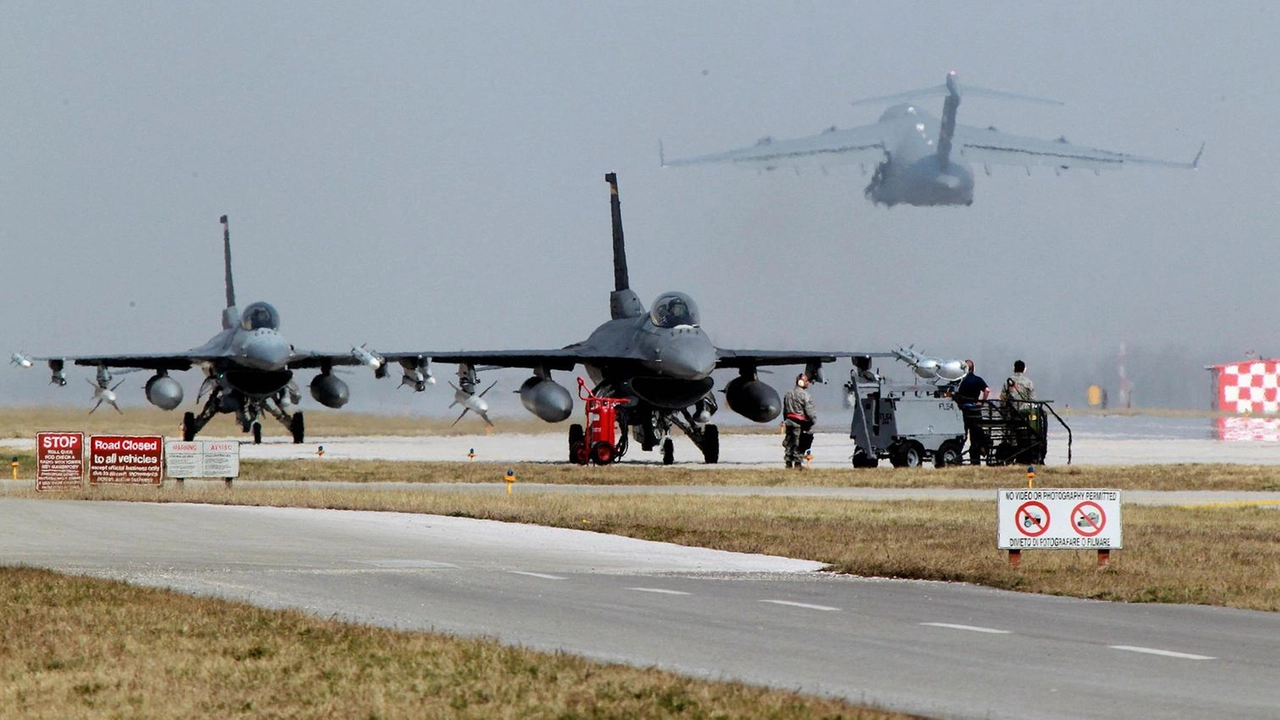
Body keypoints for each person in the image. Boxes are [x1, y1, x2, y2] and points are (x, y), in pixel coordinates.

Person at [953, 360, 990, 465]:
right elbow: (987, 390)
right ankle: (975, 460)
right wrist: (982, 402)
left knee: (963, 436)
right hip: (975, 411)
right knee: (975, 437)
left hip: (963, 412)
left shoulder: (960, 381)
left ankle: (957, 457)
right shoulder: (977, 380)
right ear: (973, 369)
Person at [782, 372, 816, 469]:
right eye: (806, 381)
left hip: (789, 422)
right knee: (800, 443)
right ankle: (797, 463)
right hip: (800, 424)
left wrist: (785, 420)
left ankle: (788, 462)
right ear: (801, 382)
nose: (808, 383)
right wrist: (812, 421)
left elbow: (785, 410)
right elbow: (809, 411)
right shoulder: (805, 395)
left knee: (789, 442)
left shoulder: (788, 393)